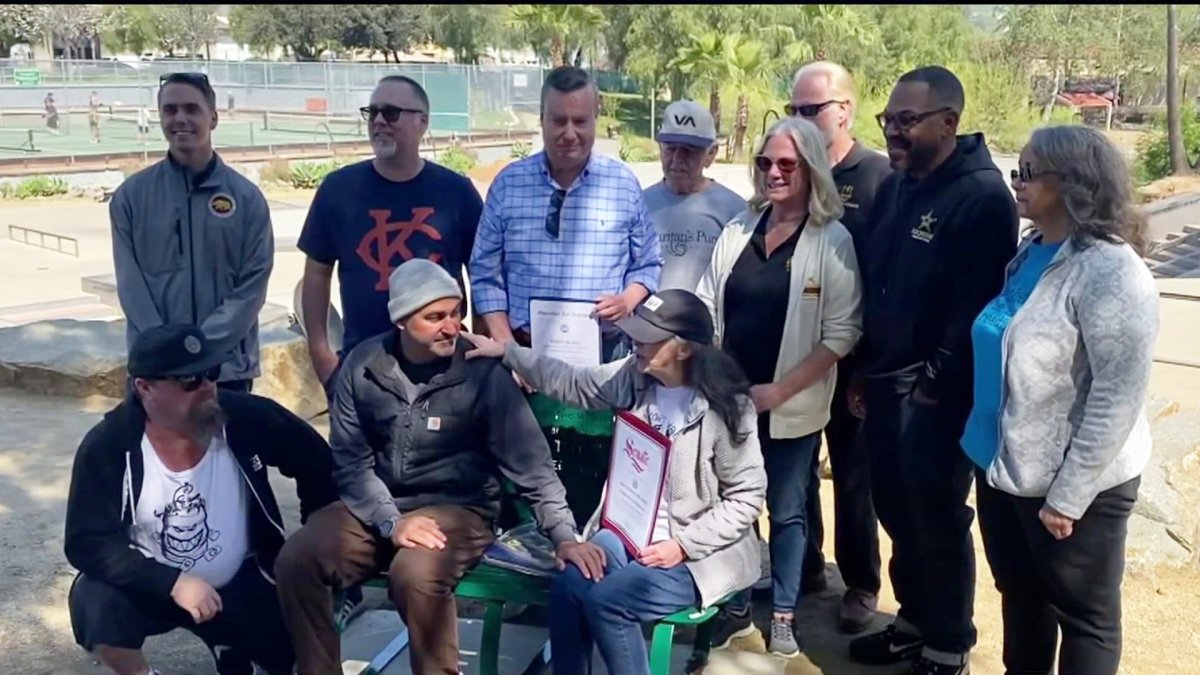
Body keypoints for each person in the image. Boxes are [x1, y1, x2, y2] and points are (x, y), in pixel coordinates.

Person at [274, 258, 590, 675]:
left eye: (455, 313)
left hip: (460, 507)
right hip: (378, 507)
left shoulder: (481, 373)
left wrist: (564, 536)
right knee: (298, 558)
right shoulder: (362, 365)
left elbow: (532, 466)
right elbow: (350, 463)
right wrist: (391, 521)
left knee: (417, 574)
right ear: (402, 320)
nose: (451, 326)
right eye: (434, 317)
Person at [461, 289, 766, 675]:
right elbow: (574, 382)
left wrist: (683, 545)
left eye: (647, 337)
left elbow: (746, 499)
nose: (635, 342)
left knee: (610, 602)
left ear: (684, 349)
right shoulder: (634, 376)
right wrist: (507, 352)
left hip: (697, 552)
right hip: (627, 530)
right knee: (570, 584)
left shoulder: (729, 409)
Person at [963, 126, 1157, 675]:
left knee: (1084, 618)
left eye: (1028, 174)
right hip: (1004, 469)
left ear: (1073, 183)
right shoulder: (1032, 250)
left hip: (1074, 487)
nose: (1016, 184)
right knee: (1021, 599)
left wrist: (1069, 496)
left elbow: (1117, 395)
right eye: (1015, 171)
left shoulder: (1111, 271)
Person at [848, 66, 1018, 675]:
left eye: (906, 121)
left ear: (948, 123)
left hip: (937, 399)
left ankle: (949, 645)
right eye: (887, 120)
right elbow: (880, 286)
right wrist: (867, 368)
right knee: (896, 509)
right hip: (885, 381)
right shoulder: (899, 184)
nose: (892, 132)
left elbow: (970, 314)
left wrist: (929, 393)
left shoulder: (982, 199)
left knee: (938, 518)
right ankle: (913, 622)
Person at [63, 324, 338, 675]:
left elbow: (317, 460)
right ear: (144, 388)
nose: (207, 387)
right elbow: (86, 542)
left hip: (243, 578)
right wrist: (172, 581)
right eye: (188, 381)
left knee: (292, 660)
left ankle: (232, 649)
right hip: (152, 586)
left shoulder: (246, 418)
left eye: (210, 373)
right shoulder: (109, 446)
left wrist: (317, 532)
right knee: (95, 601)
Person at [697, 115, 863, 658]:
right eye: (765, 162)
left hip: (790, 406)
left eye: (787, 164)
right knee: (731, 506)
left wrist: (779, 391)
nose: (774, 173)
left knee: (787, 509)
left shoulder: (831, 240)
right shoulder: (741, 228)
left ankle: (786, 614)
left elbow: (842, 333)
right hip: (731, 403)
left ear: (811, 168)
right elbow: (706, 304)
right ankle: (739, 603)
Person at [298, 75, 484, 398]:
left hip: (444, 366)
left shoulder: (457, 192)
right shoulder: (337, 190)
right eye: (372, 113)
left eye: (391, 112)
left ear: (422, 122)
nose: (379, 121)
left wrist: (480, 351)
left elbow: (483, 274)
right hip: (362, 367)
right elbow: (316, 274)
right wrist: (321, 354)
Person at [789, 60, 893, 633]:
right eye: (794, 111)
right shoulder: (795, 172)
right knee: (796, 467)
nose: (801, 121)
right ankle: (804, 568)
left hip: (854, 359)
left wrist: (868, 367)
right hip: (797, 355)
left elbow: (886, 279)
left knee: (854, 475)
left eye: (813, 111)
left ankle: (860, 582)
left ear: (845, 111)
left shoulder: (877, 177)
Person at [469, 65, 663, 363]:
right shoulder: (508, 184)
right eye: (559, 120)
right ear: (542, 119)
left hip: (605, 357)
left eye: (580, 121)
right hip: (525, 354)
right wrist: (511, 350)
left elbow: (648, 263)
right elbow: (484, 273)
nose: (569, 133)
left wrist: (627, 300)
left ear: (595, 121)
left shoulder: (622, 184)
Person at [110, 72, 274, 394]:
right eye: (170, 110)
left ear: (212, 118)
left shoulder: (246, 200)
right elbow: (132, 287)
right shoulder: (130, 198)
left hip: (225, 372)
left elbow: (251, 289)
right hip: (155, 372)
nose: (180, 119)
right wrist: (168, 350)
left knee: (227, 447)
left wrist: (199, 346)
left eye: (191, 109)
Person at [643, 100, 747, 292]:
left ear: (711, 154)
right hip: (645, 321)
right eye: (670, 148)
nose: (676, 159)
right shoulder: (639, 205)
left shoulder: (736, 213)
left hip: (704, 321)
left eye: (689, 151)